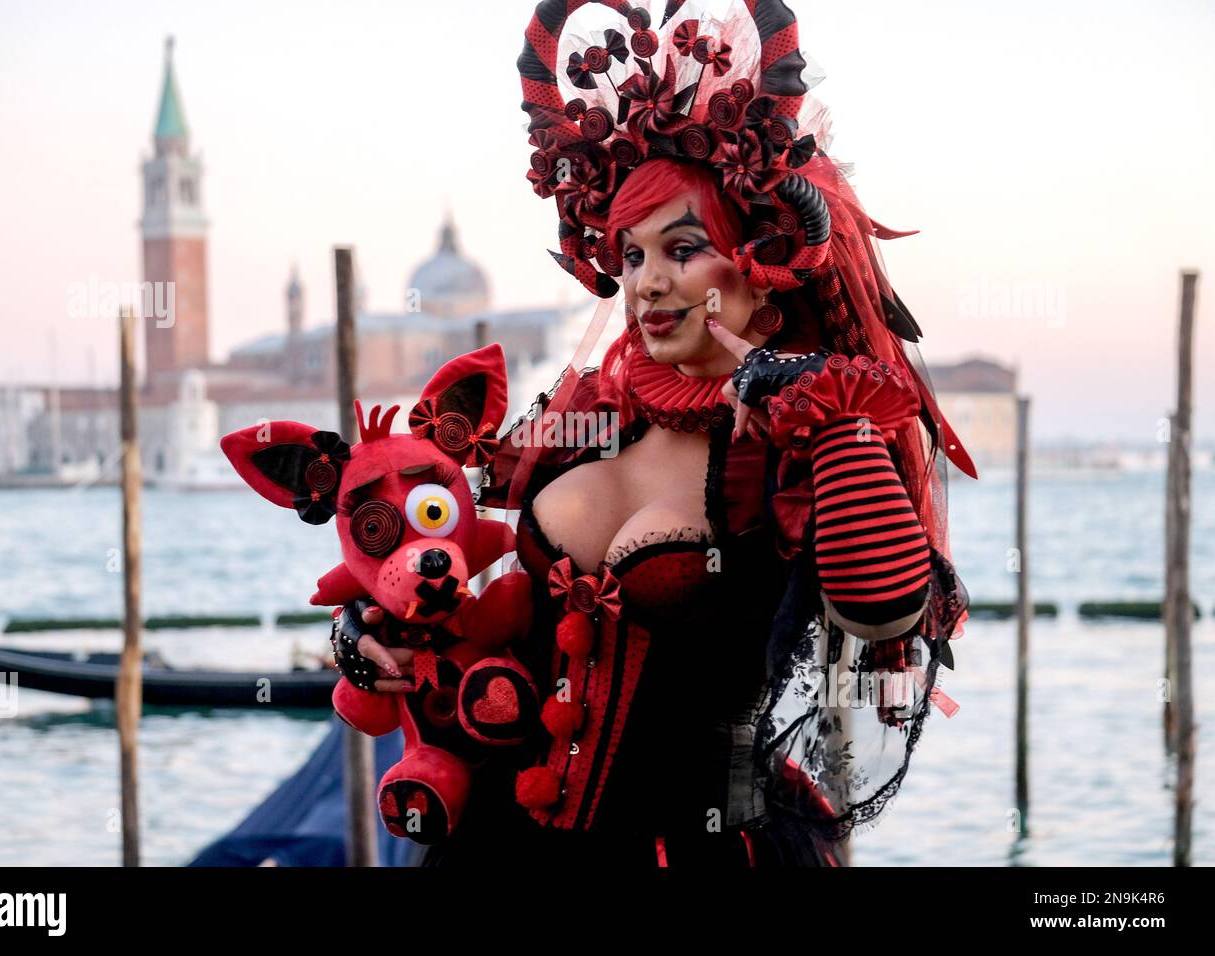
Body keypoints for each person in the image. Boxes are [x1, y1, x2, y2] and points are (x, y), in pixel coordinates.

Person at [333, 0, 971, 868]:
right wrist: (372, 635)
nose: (647, 284)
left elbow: (884, 606)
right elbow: (441, 563)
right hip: (501, 841)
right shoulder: (583, 424)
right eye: (630, 255)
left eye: (681, 248)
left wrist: (818, 413)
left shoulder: (800, 446)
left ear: (763, 263)